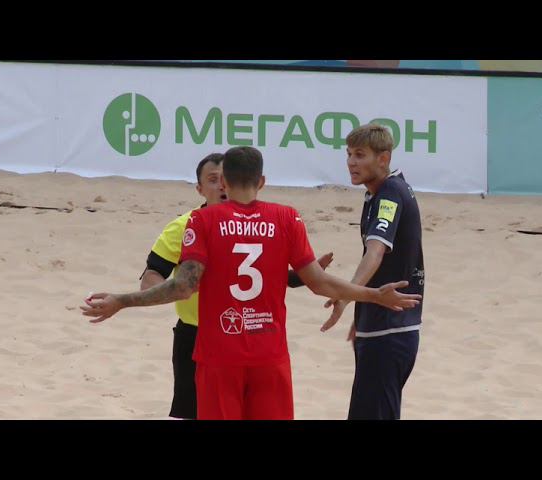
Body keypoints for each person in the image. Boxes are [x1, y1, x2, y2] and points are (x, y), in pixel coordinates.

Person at [81, 146, 421, 420]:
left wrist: (122, 300)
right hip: (268, 355)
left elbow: (183, 286)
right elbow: (319, 283)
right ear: (262, 181)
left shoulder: (201, 220)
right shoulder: (287, 218)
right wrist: (372, 294)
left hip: (219, 355)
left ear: (224, 182)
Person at [140, 153, 334, 419]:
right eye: (212, 180)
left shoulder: (255, 224)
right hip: (195, 336)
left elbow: (262, 276)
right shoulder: (184, 226)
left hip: (246, 336)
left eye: (224, 178)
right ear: (199, 189)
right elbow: (151, 277)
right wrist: (178, 288)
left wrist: (304, 276)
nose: (221, 185)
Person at [321, 124, 424, 420]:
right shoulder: (380, 193)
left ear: (383, 158)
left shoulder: (390, 193)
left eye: (360, 155)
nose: (351, 162)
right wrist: (362, 313)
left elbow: (375, 253)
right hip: (383, 325)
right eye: (349, 154)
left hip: (389, 330)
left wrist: (346, 297)